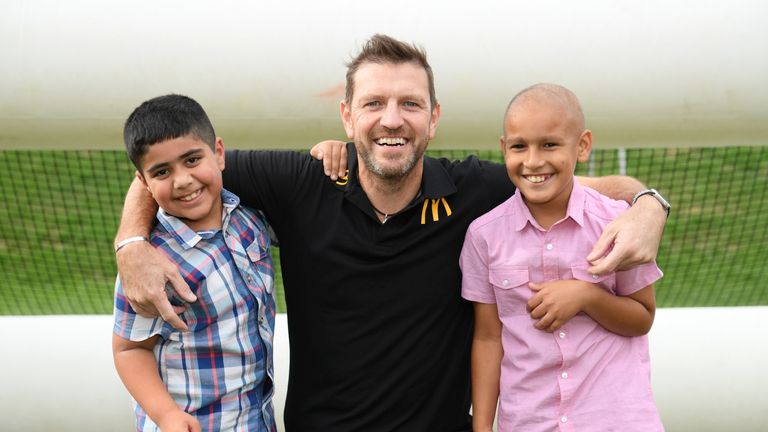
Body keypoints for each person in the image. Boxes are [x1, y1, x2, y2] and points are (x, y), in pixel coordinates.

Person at [114, 35, 670, 431]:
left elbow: (589, 183)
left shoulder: (475, 190)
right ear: (347, 116)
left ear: (434, 118)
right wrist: (131, 244)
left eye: (410, 104)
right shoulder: (303, 181)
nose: (392, 119)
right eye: (374, 103)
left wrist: (650, 206)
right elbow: (176, 170)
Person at [461, 84, 664, 431]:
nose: (534, 160)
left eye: (550, 144)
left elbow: (642, 317)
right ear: (503, 148)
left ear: (582, 145)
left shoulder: (618, 223)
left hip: (616, 420)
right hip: (529, 421)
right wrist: (482, 428)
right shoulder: (483, 235)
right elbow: (488, 337)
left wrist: (586, 296)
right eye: (519, 146)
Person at [112, 94, 277, 432]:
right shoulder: (151, 266)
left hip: (255, 419)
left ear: (218, 152)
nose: (183, 180)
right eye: (162, 171)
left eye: (191, 160)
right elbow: (130, 349)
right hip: (193, 424)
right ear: (142, 182)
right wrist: (166, 415)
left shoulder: (250, 218)